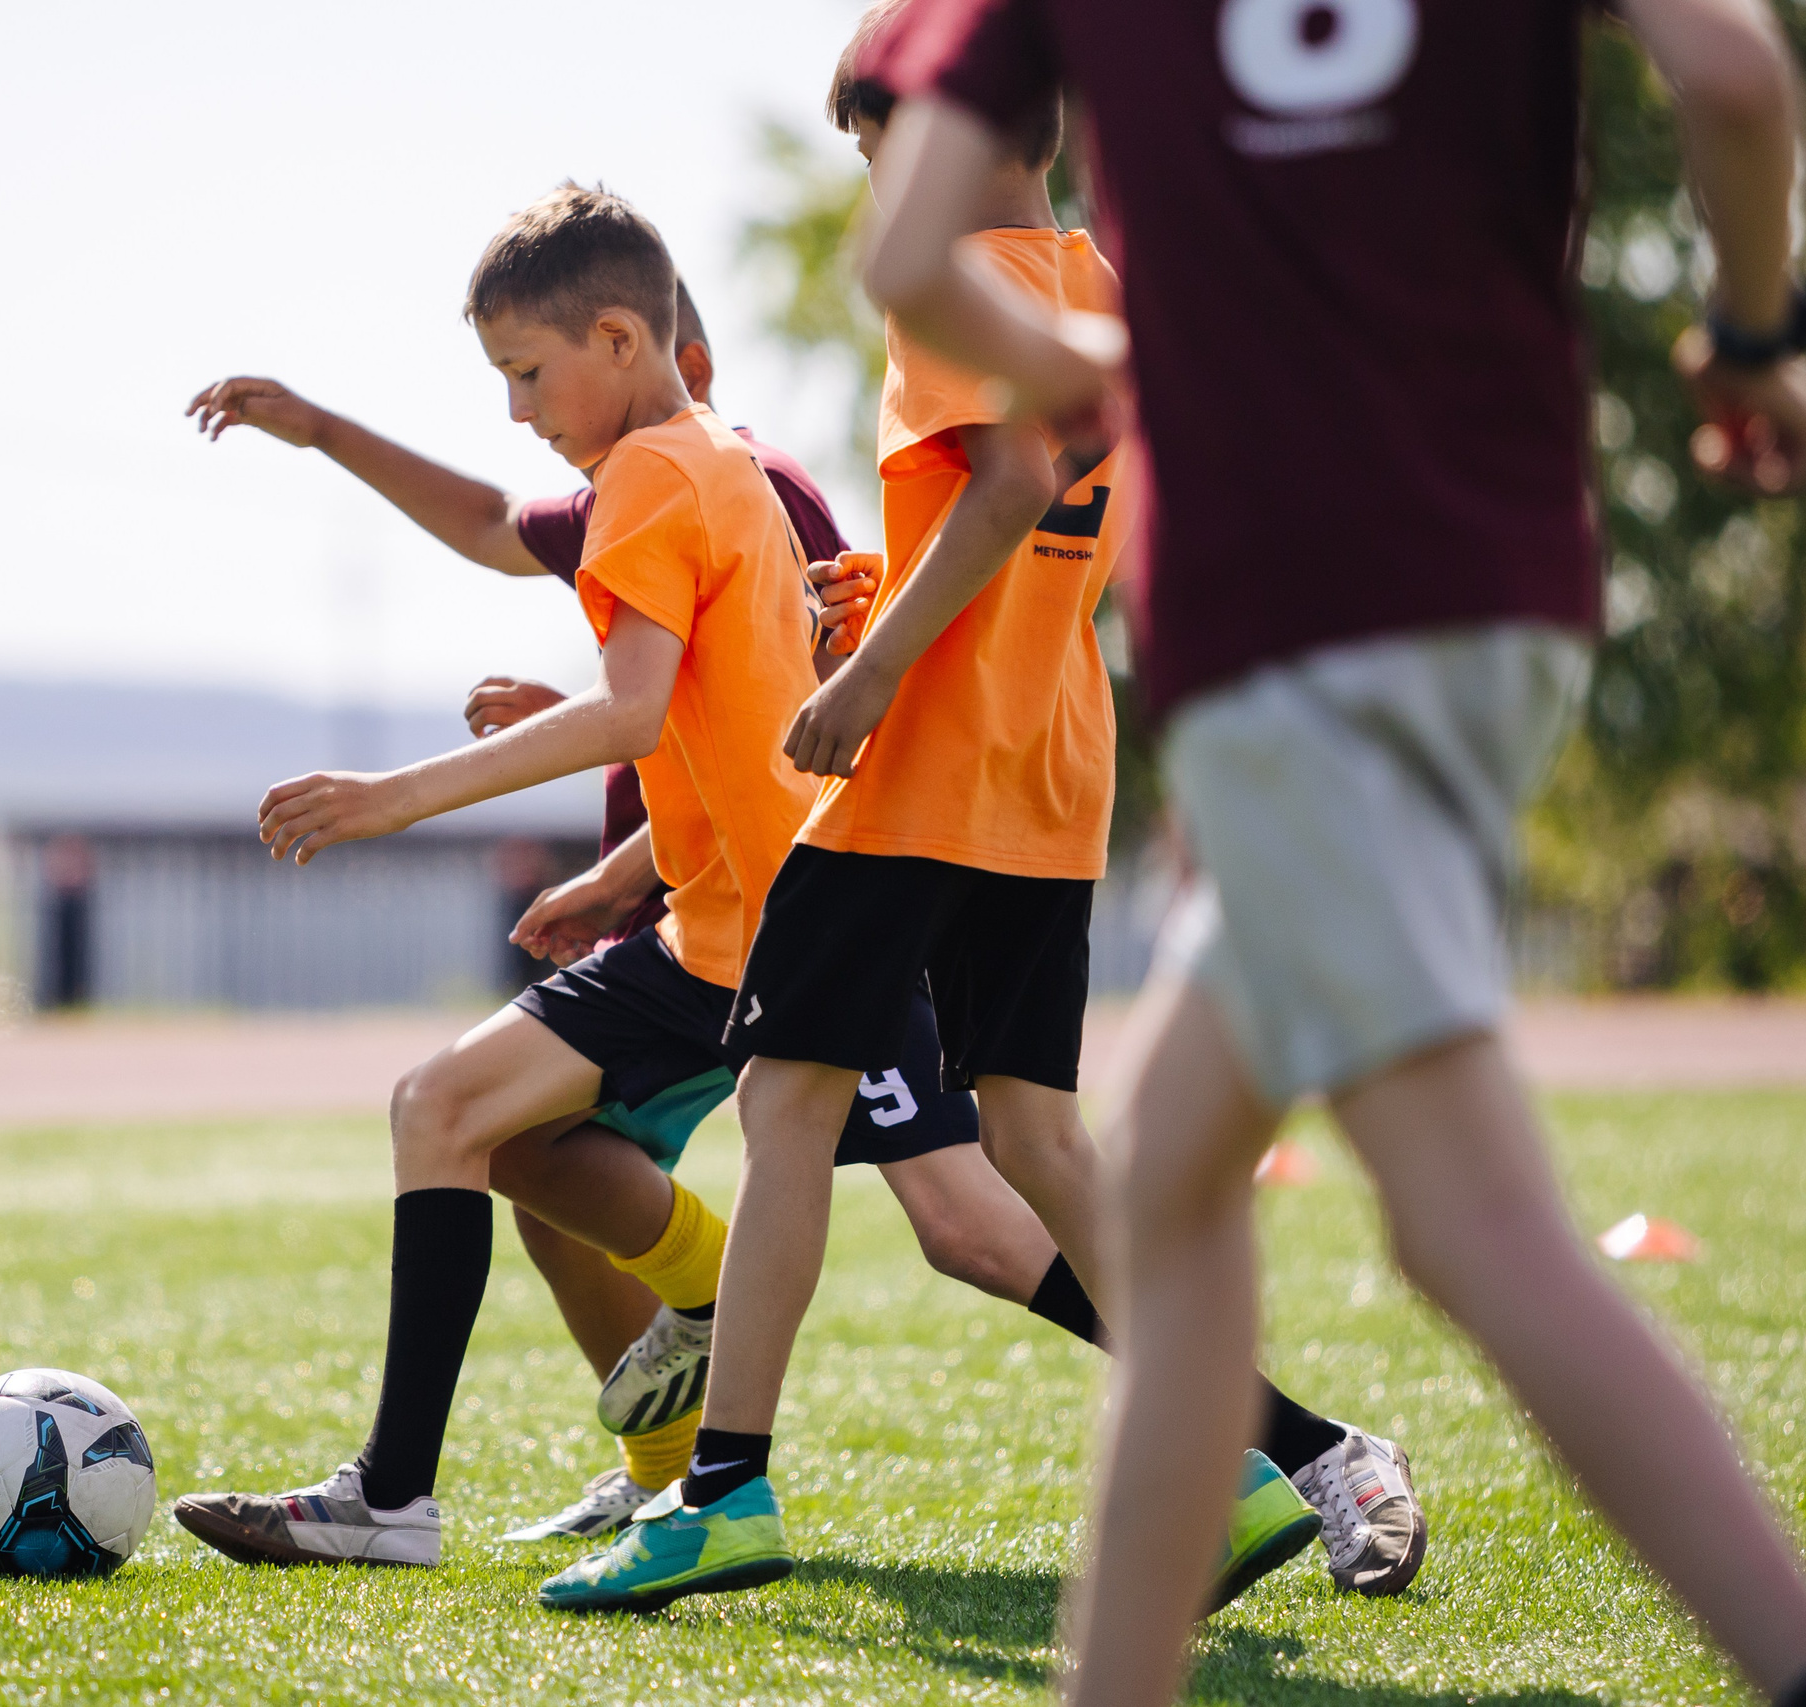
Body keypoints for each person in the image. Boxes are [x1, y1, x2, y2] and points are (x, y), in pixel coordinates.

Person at [852, 1, 1806, 1705]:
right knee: (1161, 1173)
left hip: (1282, 620)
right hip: (1503, 590)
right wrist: (1760, 333)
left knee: (1462, 1221)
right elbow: (1736, 75)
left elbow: (910, 250)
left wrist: (1094, 374)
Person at [538, 7, 1415, 1614]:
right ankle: (1225, 1463)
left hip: (922, 771)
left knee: (786, 1108)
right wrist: (886, 587)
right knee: (1037, 1134)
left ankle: (721, 1490)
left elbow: (1012, 483)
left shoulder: (967, 281)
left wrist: (867, 672)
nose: (884, 188)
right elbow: (1049, 532)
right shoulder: (1111, 297)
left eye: (882, 150)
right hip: (1050, 769)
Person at [170, 200, 1129, 1560]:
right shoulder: (671, 464)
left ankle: (1281, 1433)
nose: (515, 408)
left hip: (806, 923)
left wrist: (392, 796)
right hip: (700, 932)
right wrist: (322, 430)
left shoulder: (680, 471)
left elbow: (672, 715)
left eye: (526, 373)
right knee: (453, 1113)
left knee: (971, 1224)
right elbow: (623, 637)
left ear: (625, 338)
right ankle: (418, 1485)